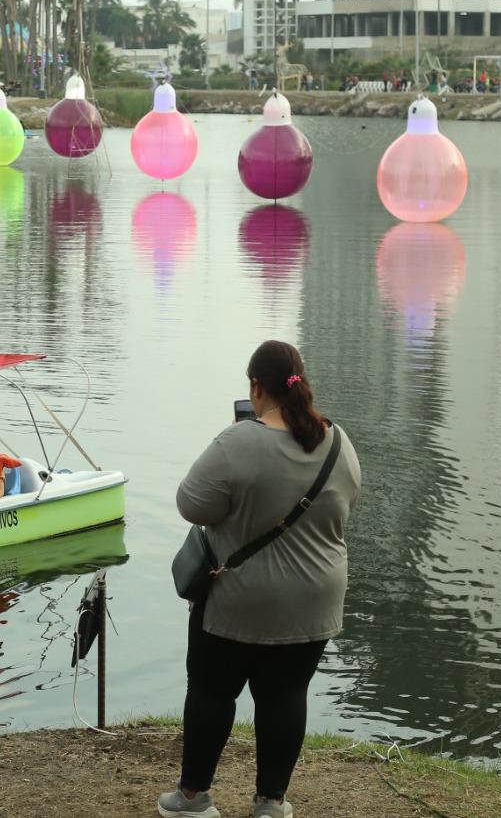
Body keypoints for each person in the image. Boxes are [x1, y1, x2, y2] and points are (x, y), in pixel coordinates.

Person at [157, 340, 361, 818]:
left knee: (211, 691)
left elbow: (192, 504)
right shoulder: (337, 440)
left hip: (239, 597)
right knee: (286, 696)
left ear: (255, 387)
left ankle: (192, 798)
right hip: (315, 598)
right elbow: (346, 502)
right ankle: (270, 803)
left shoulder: (239, 441)